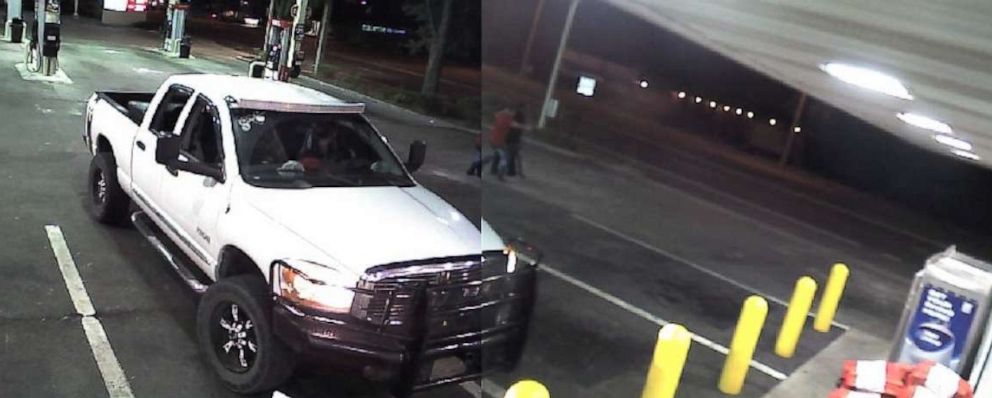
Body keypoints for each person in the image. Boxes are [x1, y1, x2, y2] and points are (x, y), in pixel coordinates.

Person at [505, 106, 531, 178]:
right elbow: (514, 125)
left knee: (515, 157)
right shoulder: (512, 120)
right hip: (512, 141)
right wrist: (525, 127)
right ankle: (517, 172)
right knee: (513, 157)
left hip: (513, 141)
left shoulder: (512, 119)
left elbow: (516, 126)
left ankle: (518, 172)